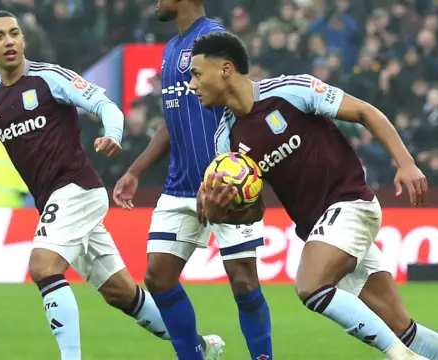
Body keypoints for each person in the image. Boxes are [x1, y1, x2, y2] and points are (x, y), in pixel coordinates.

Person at [0, 11, 223, 360]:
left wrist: (112, 134)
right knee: (121, 293)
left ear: (24, 40)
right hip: (56, 201)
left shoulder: (49, 78)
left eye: (14, 34)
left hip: (77, 189)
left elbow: (105, 106)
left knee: (42, 267)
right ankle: (201, 347)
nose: (8, 41)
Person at [190, 31, 438, 360]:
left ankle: (400, 356)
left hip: (351, 202)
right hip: (323, 229)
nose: (192, 85)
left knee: (310, 285)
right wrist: (222, 211)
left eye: (196, 74)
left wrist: (406, 164)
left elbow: (366, 112)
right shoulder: (227, 141)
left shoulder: (290, 91)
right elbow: (255, 211)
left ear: (225, 69)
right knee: (404, 328)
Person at [114, 1, 272, 359]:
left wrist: (246, 167)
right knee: (158, 278)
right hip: (181, 184)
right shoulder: (170, 50)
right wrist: (136, 170)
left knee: (244, 282)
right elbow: (174, 121)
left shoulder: (215, 38)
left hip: (227, 185)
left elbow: (246, 101)